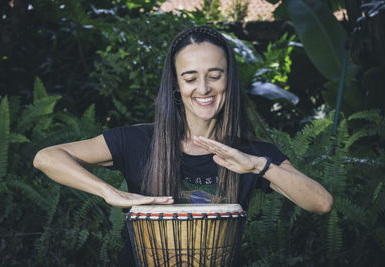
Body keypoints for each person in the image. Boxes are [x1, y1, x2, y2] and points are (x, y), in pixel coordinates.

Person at [33, 25, 333, 266]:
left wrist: (258, 165)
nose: (203, 88)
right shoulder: (138, 141)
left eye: (215, 76)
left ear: (229, 78)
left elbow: (321, 203)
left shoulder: (251, 152)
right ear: (176, 84)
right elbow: (47, 157)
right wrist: (108, 192)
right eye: (190, 78)